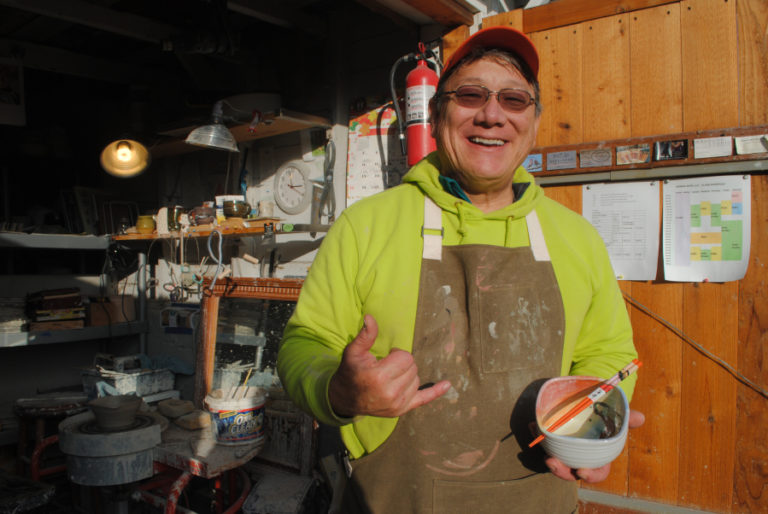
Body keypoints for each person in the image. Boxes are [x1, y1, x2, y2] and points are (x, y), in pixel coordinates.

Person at [277, 26, 643, 513]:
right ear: (436, 113)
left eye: (514, 100)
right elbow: (305, 344)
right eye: (471, 95)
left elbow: (609, 353)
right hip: (392, 498)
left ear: (534, 122)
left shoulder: (576, 238)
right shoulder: (368, 225)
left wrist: (590, 428)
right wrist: (337, 390)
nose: (492, 115)